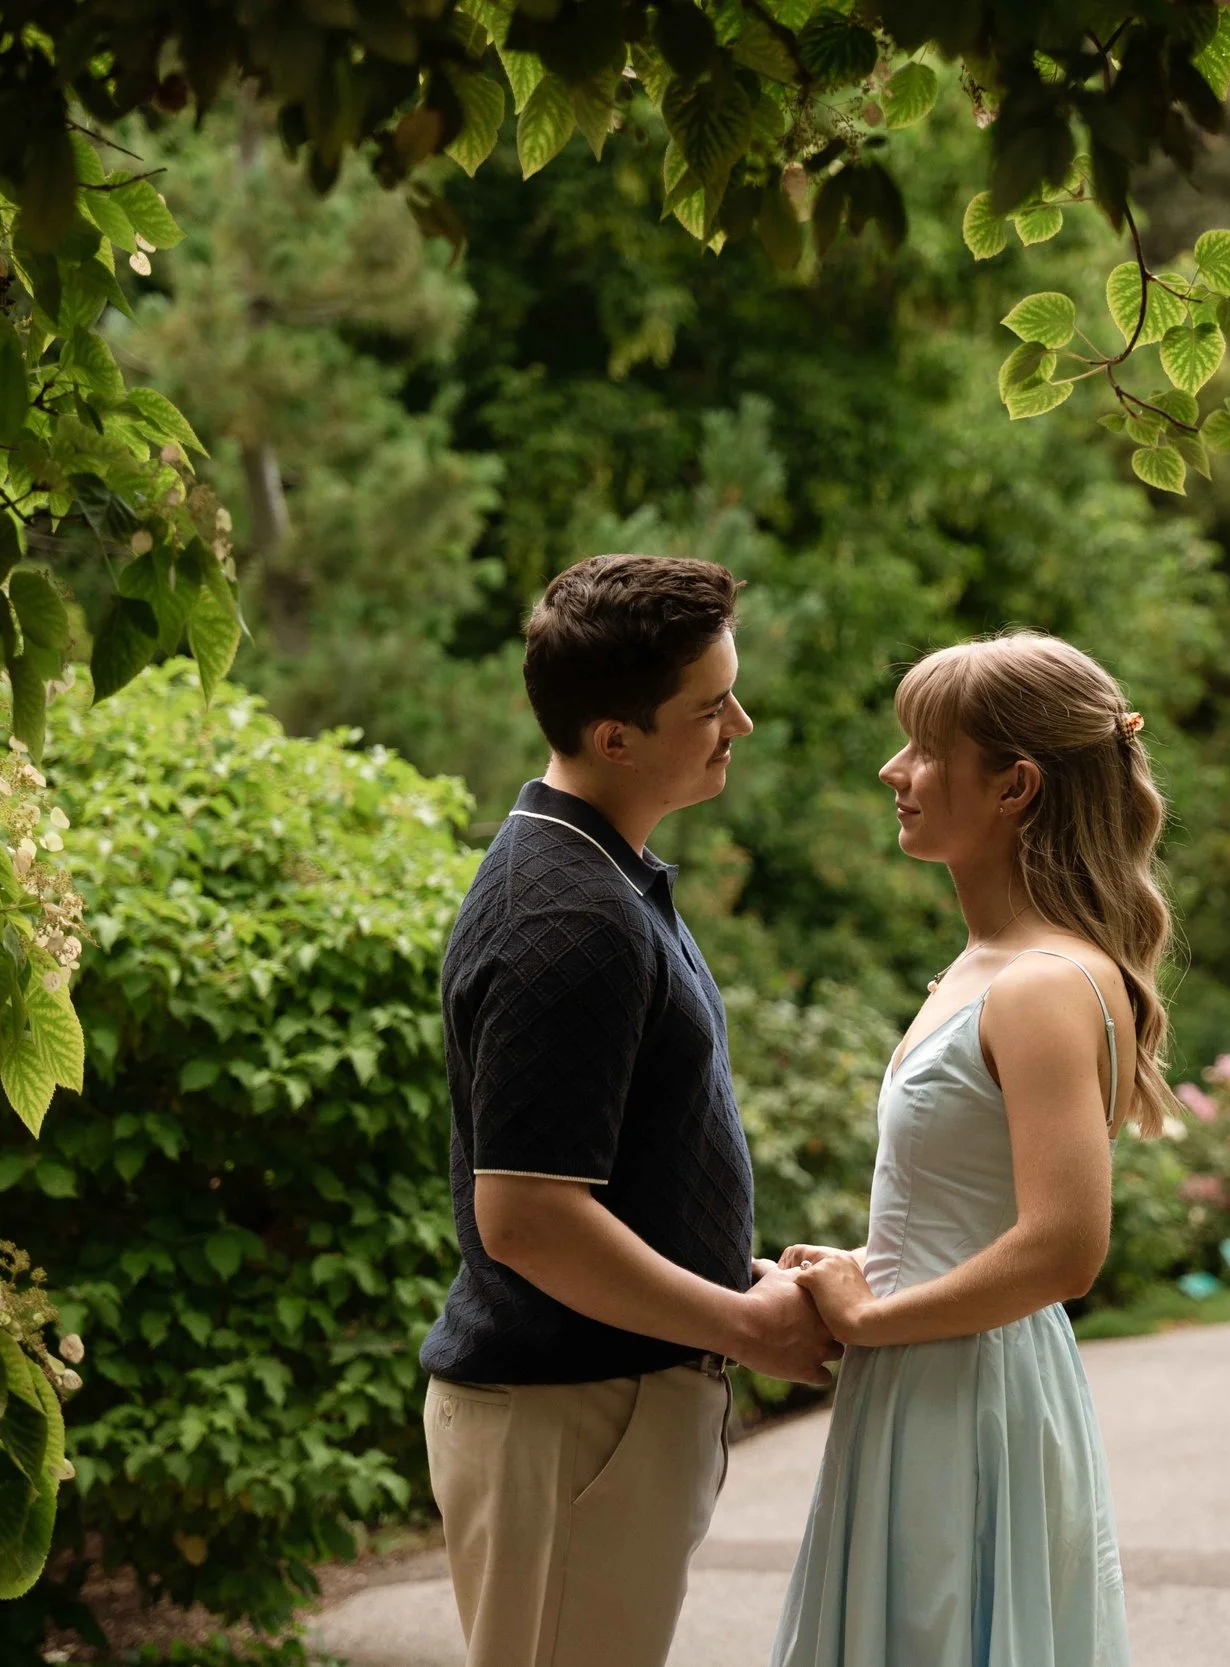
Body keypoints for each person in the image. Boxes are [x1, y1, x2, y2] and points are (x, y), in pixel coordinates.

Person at [419, 554, 839, 1667]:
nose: (738, 722)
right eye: (709, 706)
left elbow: (611, 1165)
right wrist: (745, 1324)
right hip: (569, 1423)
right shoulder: (569, 917)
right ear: (616, 736)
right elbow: (528, 1218)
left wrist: (733, 1273)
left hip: (599, 1415)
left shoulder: (602, 875)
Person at [770, 631, 1173, 1667]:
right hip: (926, 1370)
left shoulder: (1040, 981)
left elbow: (1063, 1248)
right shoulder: (985, 963)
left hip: (963, 1391)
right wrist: (865, 1268)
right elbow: (961, 1204)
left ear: (1014, 786)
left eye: (923, 748)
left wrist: (875, 1312)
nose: (890, 770)